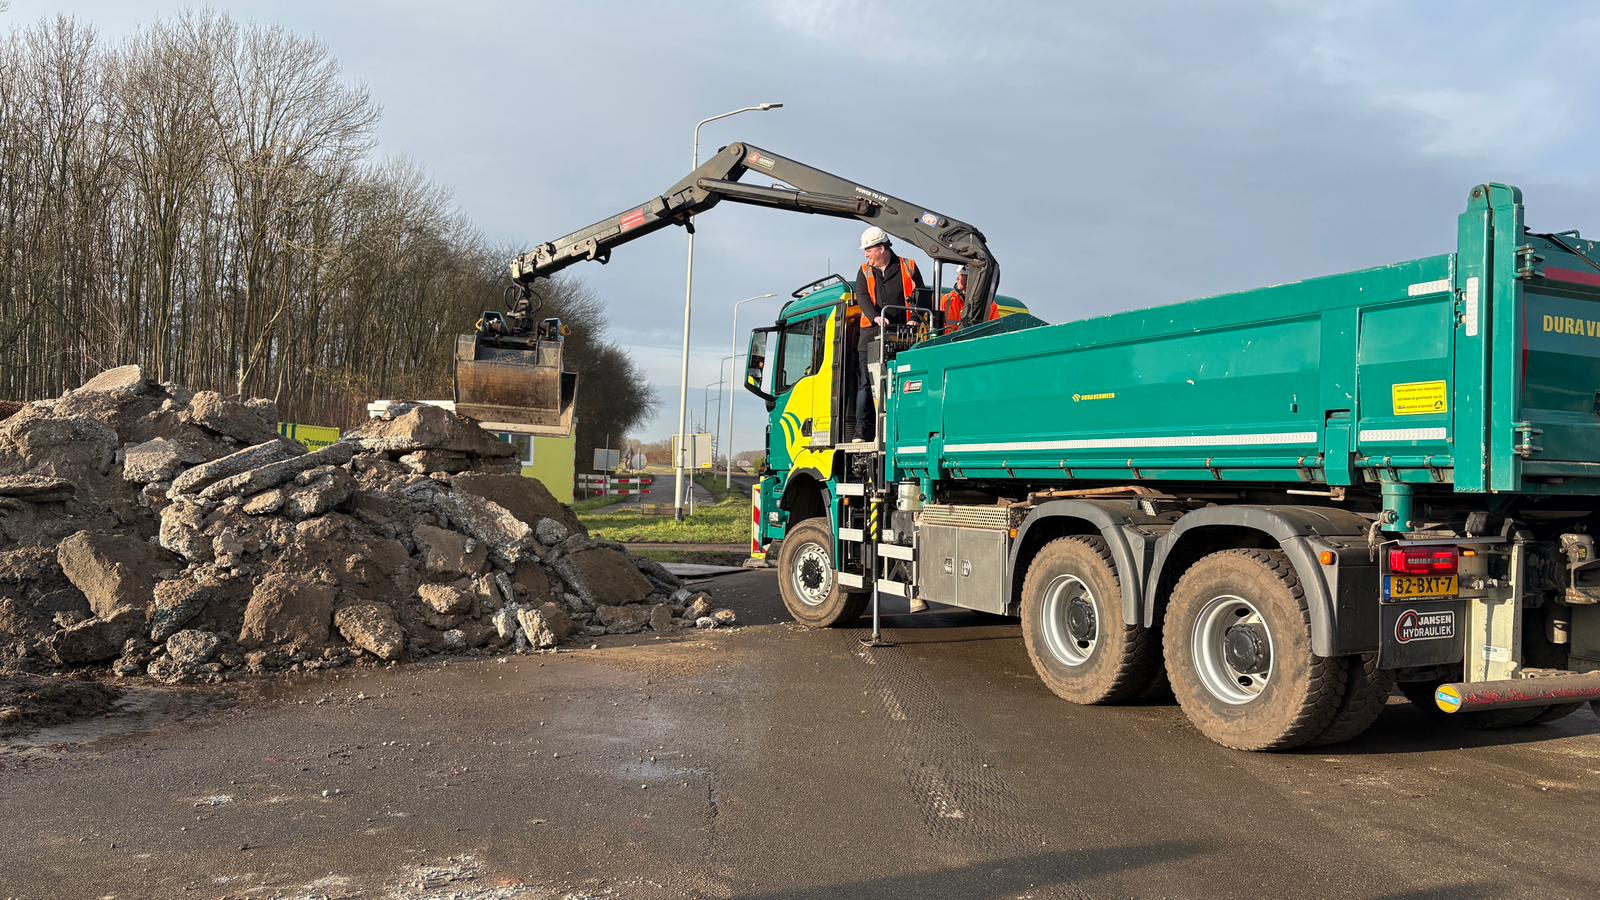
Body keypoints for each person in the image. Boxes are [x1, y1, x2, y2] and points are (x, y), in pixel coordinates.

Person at [852, 226, 926, 441]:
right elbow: (863, 298)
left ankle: (900, 429)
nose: (866, 254)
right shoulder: (864, 270)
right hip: (870, 335)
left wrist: (916, 318)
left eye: (868, 250)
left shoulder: (908, 266)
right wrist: (876, 316)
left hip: (901, 335)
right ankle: (862, 432)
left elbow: (922, 295)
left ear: (882, 248)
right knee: (867, 383)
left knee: (900, 383)